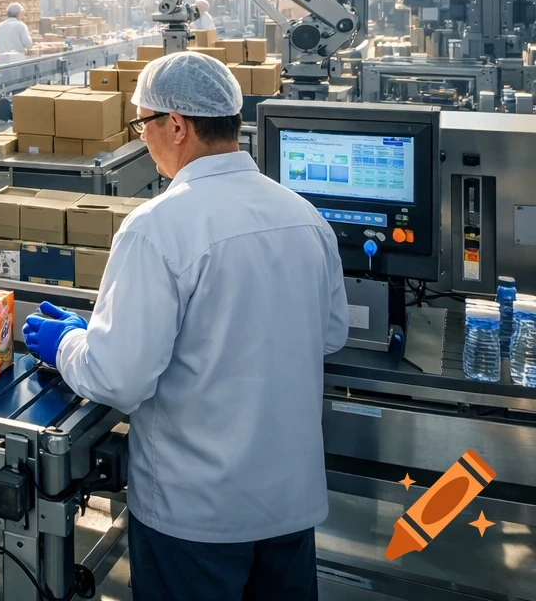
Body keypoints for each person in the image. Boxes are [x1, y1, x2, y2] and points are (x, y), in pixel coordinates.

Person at [24, 51, 348, 601]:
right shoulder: (303, 214)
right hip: (288, 503)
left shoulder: (157, 227)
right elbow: (332, 333)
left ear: (176, 125)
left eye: (143, 124)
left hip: (197, 515)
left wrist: (69, 344)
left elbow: (118, 378)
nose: (143, 139)